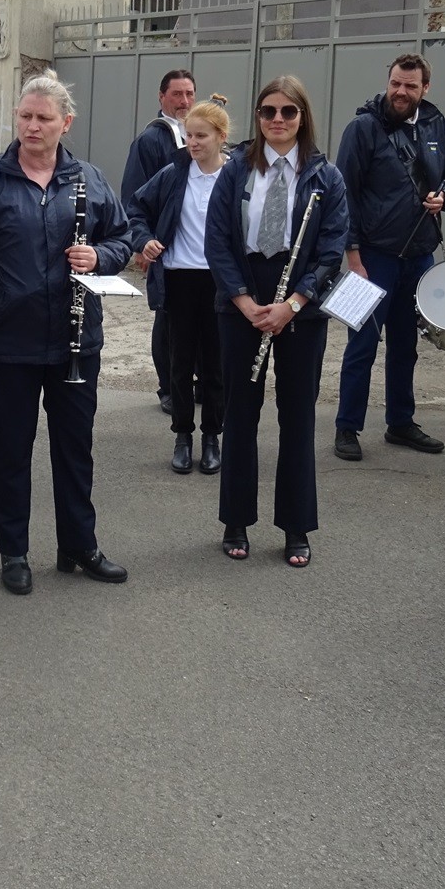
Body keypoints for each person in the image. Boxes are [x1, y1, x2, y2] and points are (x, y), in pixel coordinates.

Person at [0, 72, 136, 596]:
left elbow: (123, 238)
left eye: (43, 118)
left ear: (65, 123)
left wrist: (101, 255)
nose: (31, 125)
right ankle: (14, 551)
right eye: (25, 116)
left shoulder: (89, 180)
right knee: (10, 449)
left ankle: (79, 543)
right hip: (9, 343)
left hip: (76, 341)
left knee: (75, 447)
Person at [206, 76, 348, 564]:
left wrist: (294, 304)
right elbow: (217, 242)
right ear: (258, 117)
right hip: (242, 298)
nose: (278, 121)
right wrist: (245, 302)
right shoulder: (235, 171)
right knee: (240, 415)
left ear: (302, 117)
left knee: (298, 418)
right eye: (268, 112)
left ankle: (296, 527)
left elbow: (332, 250)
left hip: (299, 306)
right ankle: (235, 521)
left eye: (289, 112)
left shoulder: (325, 176)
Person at [332, 53, 445, 461]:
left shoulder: (436, 123)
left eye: (410, 86)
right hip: (373, 257)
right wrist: (352, 256)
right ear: (387, 82)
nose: (401, 92)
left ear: (425, 88)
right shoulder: (363, 128)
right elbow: (344, 196)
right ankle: (347, 428)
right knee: (362, 345)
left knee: (406, 345)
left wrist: (444, 197)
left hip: (419, 256)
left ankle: (401, 423)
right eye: (396, 83)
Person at [129, 98, 230, 477]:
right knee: (180, 362)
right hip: (179, 278)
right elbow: (137, 208)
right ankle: (183, 438)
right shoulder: (174, 173)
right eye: (189, 135)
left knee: (216, 365)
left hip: (220, 282)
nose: (193, 142)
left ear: (221, 137)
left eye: (201, 136)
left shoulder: (236, 177)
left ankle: (212, 438)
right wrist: (145, 240)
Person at [122, 69, 197, 416]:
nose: (184, 101)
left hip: (196, 246)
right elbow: (135, 195)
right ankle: (168, 386)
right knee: (167, 317)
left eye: (189, 94)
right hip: (163, 244)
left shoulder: (199, 133)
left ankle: (190, 380)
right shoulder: (151, 140)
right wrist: (141, 243)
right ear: (161, 97)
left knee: (196, 317)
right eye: (177, 94)